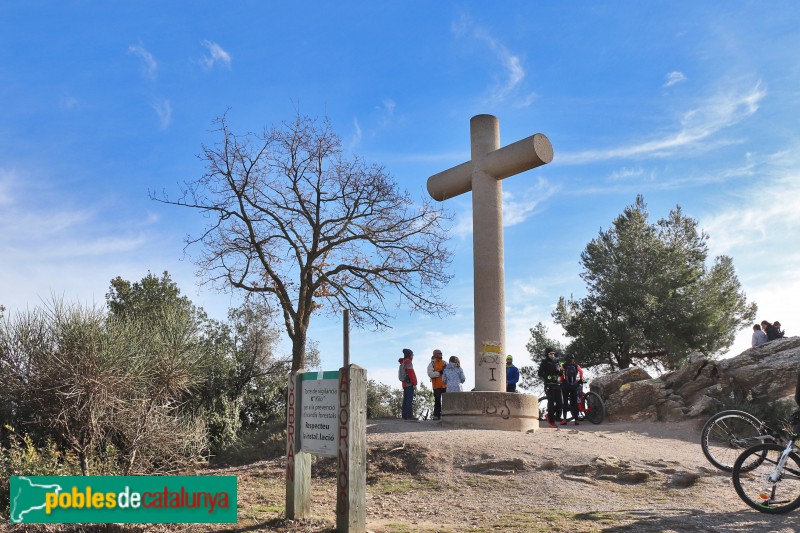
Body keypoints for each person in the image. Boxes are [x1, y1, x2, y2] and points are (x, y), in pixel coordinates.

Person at [537, 347, 563, 428]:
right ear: (547, 354)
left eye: (553, 353)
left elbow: (560, 373)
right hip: (549, 385)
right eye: (551, 354)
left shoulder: (557, 361)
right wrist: (548, 377)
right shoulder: (544, 362)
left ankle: (552, 416)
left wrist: (561, 371)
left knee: (560, 403)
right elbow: (540, 373)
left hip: (557, 384)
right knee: (551, 403)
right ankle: (551, 421)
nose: (552, 355)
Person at [560, 354, 584, 425]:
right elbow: (581, 372)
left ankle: (564, 419)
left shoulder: (563, 365)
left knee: (565, 402)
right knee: (574, 402)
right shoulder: (576, 366)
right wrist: (580, 379)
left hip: (565, 385)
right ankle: (576, 419)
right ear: (573, 359)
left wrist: (561, 380)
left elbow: (561, 375)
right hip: (574, 385)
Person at [427, 349, 447, 420]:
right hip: (436, 386)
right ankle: (436, 415)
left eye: (441, 353)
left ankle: (445, 415)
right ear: (434, 354)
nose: (440, 354)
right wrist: (439, 372)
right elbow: (430, 374)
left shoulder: (445, 363)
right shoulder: (431, 364)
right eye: (439, 353)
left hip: (445, 385)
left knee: (446, 401)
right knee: (437, 401)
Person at [398, 348, 418, 420]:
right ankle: (409, 416)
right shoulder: (408, 362)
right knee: (409, 400)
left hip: (404, 384)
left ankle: (404, 416)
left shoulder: (402, 363)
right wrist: (414, 383)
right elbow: (411, 373)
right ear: (410, 355)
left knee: (405, 400)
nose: (413, 356)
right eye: (412, 354)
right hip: (409, 383)